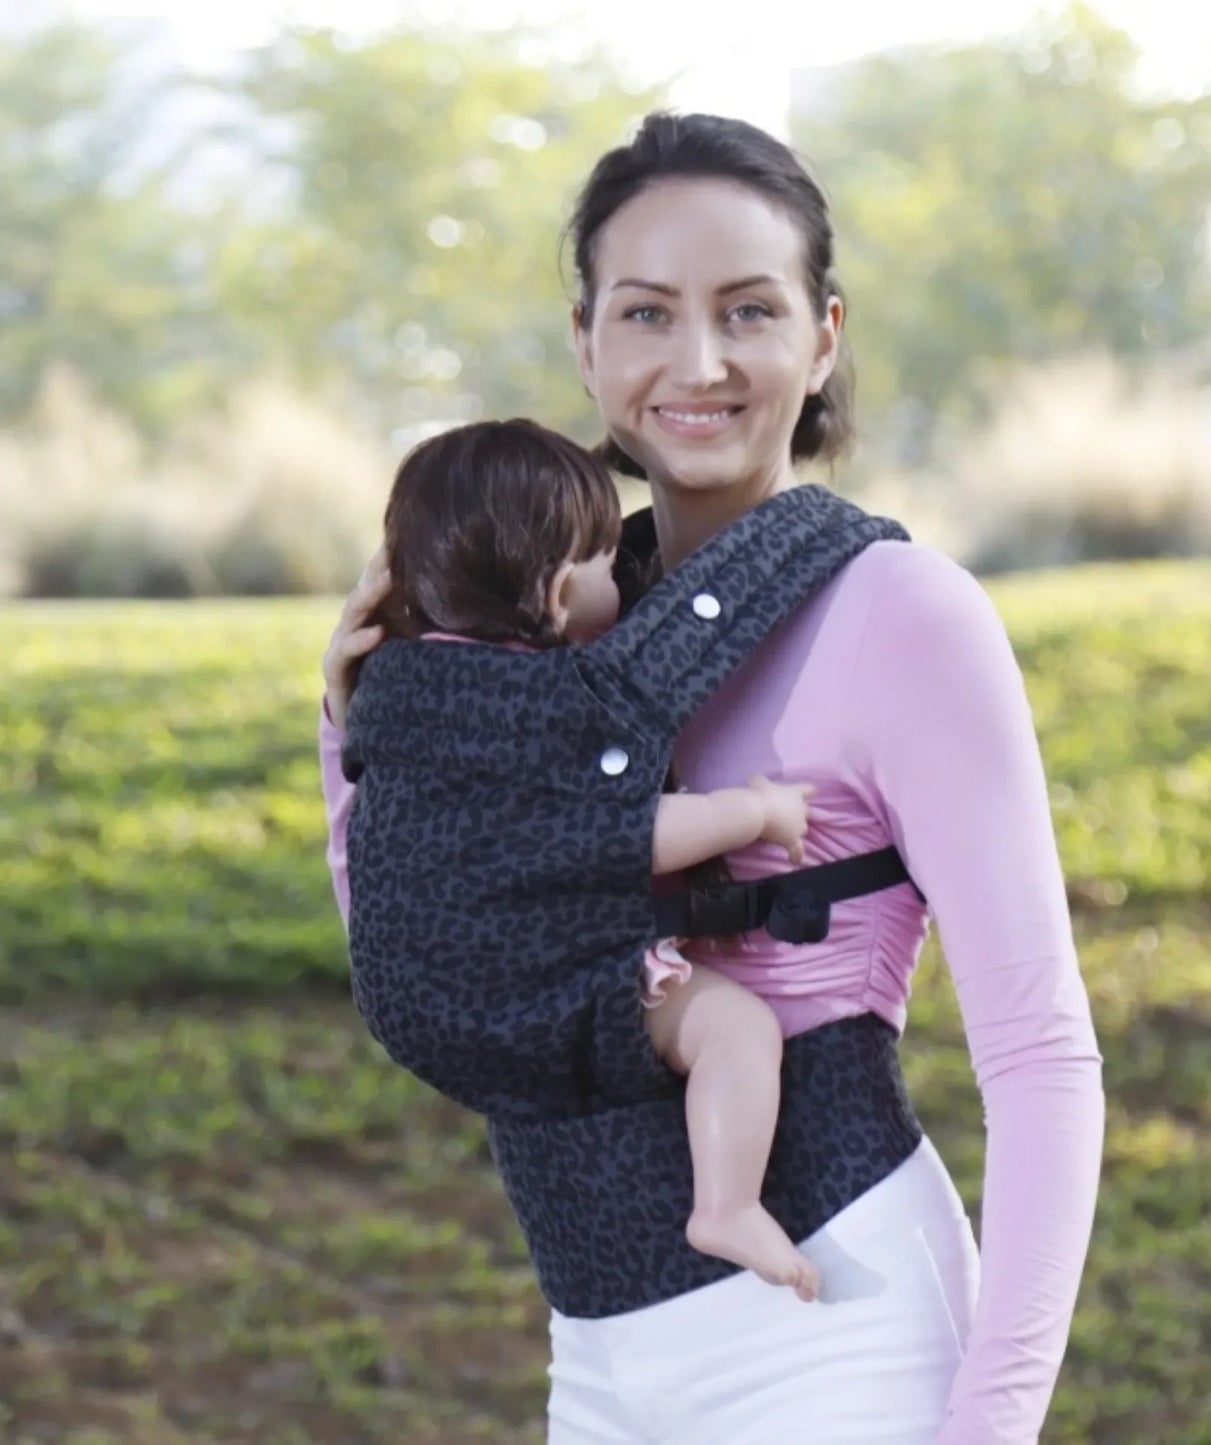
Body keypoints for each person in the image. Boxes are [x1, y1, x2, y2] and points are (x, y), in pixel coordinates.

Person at [321, 111, 1105, 1444]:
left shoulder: (902, 614)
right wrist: (356, 741)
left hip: (836, 1335)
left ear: (824, 336)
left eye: (749, 311)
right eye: (645, 313)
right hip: (600, 1352)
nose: (698, 362)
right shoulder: (527, 634)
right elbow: (446, 971)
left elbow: (1040, 1055)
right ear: (585, 340)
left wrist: (994, 1422)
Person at [346, 414, 822, 1301]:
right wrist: (750, 810)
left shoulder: (389, 686)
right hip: (532, 995)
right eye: (608, 559)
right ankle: (726, 1202)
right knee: (733, 1029)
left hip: (413, 1004)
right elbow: (621, 836)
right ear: (560, 594)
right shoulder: (551, 703)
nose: (622, 574)